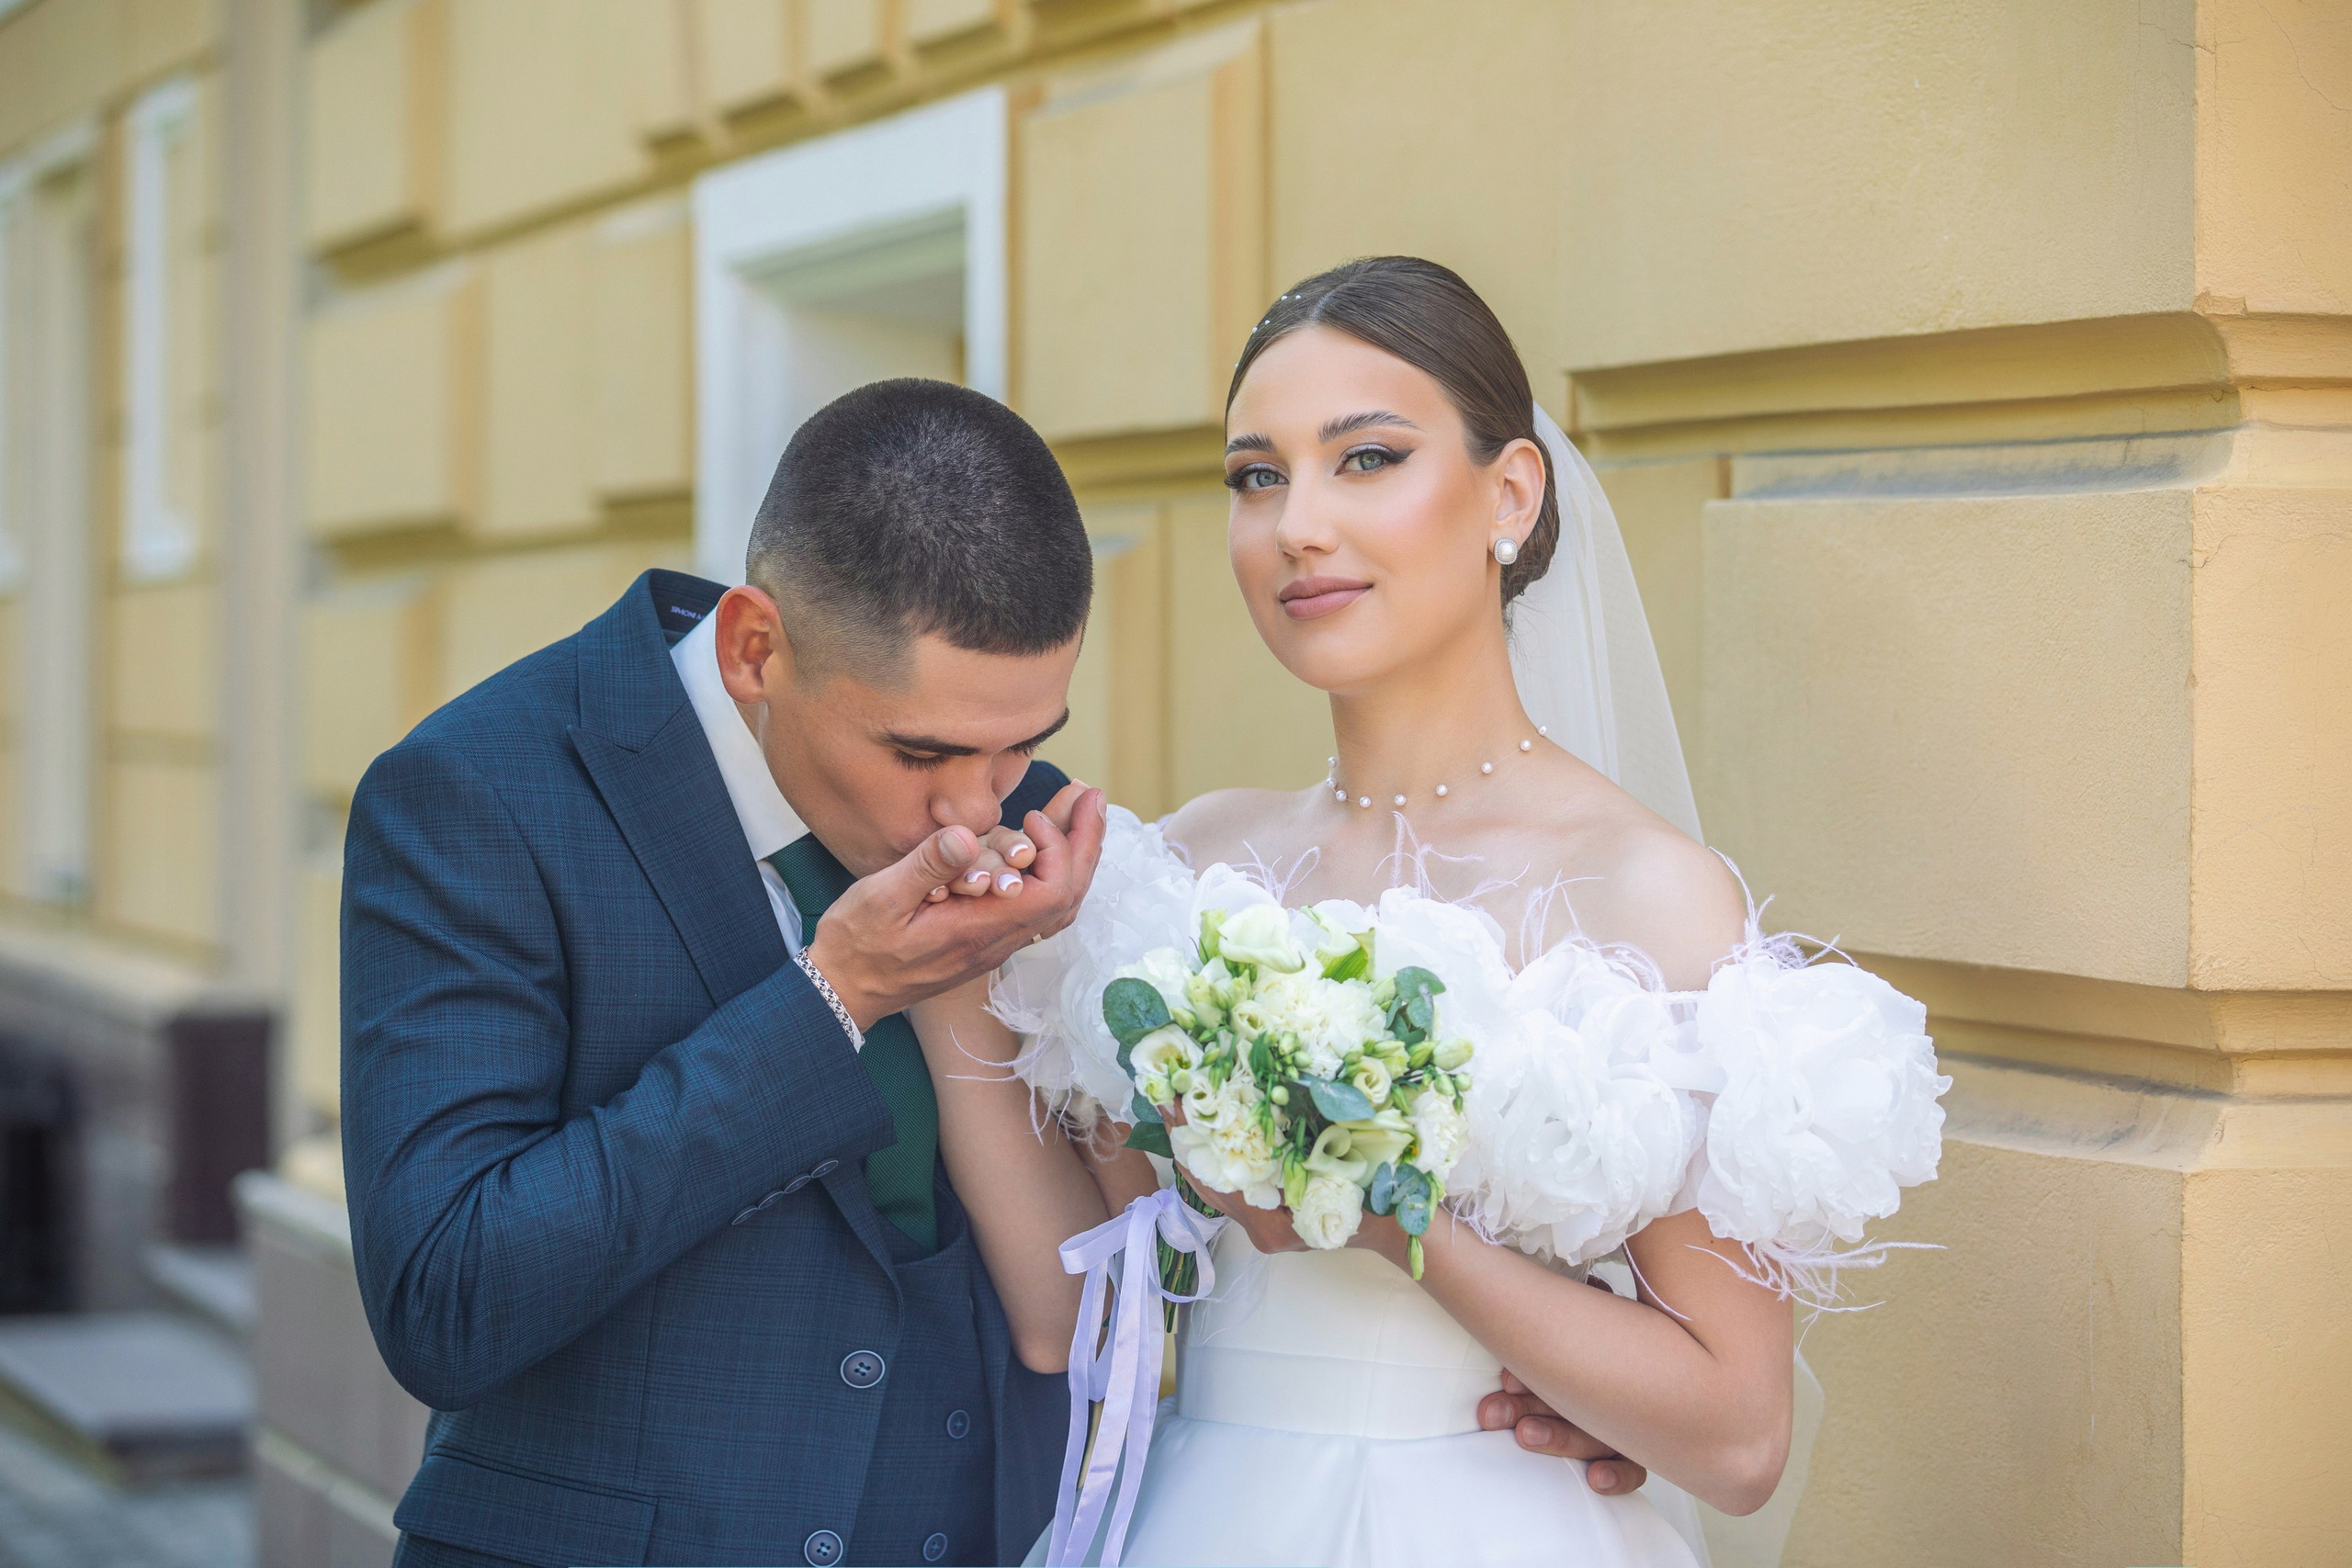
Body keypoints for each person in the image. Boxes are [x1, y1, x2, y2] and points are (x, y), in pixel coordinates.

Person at [921, 258, 1948, 1568]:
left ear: (1508, 494)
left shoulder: (1642, 894)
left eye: (1365, 460)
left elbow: (1739, 1441)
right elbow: (1075, 1307)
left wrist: (1398, 1223)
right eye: (1256, 475)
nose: (1297, 523)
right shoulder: (1190, 868)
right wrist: (952, 975)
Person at [341, 379, 1118, 1568]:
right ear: (758, 649)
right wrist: (834, 997)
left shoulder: (1018, 820)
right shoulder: (477, 791)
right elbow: (446, 1300)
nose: (975, 803)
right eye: (923, 751)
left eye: (1023, 741)